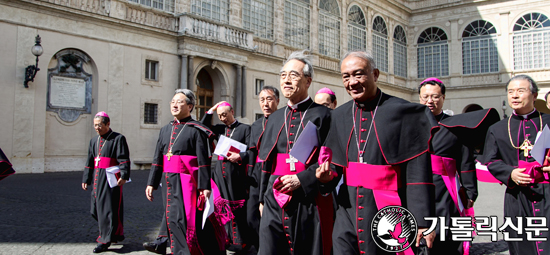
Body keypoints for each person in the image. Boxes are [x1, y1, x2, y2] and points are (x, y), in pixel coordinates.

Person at [316, 51, 438, 254]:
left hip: (389, 211)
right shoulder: (339, 116)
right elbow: (334, 168)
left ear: (375, 74)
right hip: (348, 212)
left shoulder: (403, 112)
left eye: (358, 74)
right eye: (346, 76)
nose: (352, 82)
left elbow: (417, 173)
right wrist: (324, 179)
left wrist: (423, 221)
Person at [257, 50, 332, 255]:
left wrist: (302, 178)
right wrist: (262, 199)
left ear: (308, 81)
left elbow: (331, 160)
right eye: (283, 75)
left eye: (293, 75)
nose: (286, 80)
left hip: (308, 196)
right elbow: (265, 162)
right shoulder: (274, 118)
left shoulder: (324, 115)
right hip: (274, 196)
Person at [418, 78, 499, 255]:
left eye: (435, 96)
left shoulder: (455, 126)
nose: (429, 101)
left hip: (446, 189)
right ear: (419, 98)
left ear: (443, 97)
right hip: (418, 187)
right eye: (425, 97)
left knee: (446, 231)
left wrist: (470, 191)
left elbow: (465, 161)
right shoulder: (411, 124)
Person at [146, 89, 227, 255]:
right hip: (168, 181)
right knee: (171, 216)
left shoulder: (197, 130)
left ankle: (184, 250)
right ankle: (175, 248)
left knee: (184, 218)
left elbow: (203, 160)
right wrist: (151, 183)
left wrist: (205, 187)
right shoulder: (164, 130)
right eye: (173, 102)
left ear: (190, 106)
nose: (175, 105)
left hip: (187, 182)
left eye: (180, 102)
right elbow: (157, 158)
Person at [480, 75, 550, 255]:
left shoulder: (548, 121)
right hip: (517, 195)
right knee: (521, 245)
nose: (515, 96)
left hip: (548, 193)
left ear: (534, 95)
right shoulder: (496, 129)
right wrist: (510, 173)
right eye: (511, 92)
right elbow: (490, 160)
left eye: (521, 91)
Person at [201, 101, 251, 252]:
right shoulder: (219, 129)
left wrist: (240, 155)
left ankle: (241, 241)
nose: (222, 118)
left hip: (236, 174)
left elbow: (252, 151)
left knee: (236, 209)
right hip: (219, 174)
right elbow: (203, 127)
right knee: (221, 208)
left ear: (232, 112)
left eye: (225, 114)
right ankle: (226, 238)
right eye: (219, 115)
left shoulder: (245, 129)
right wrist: (210, 110)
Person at [82, 111, 131, 253]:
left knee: (108, 210)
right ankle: (114, 233)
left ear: (108, 124)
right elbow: (90, 161)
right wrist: (86, 178)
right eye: (95, 125)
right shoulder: (93, 141)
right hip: (97, 178)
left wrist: (124, 175)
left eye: (99, 125)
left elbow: (124, 159)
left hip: (110, 180)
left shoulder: (118, 139)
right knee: (95, 210)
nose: (97, 128)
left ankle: (104, 240)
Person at [247, 85, 280, 251]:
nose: (265, 103)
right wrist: (249, 174)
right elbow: (251, 153)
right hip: (257, 174)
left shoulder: (283, 121)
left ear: (277, 101)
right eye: (262, 100)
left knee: (271, 215)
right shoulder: (255, 125)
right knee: (251, 216)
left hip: (275, 172)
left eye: (269, 99)